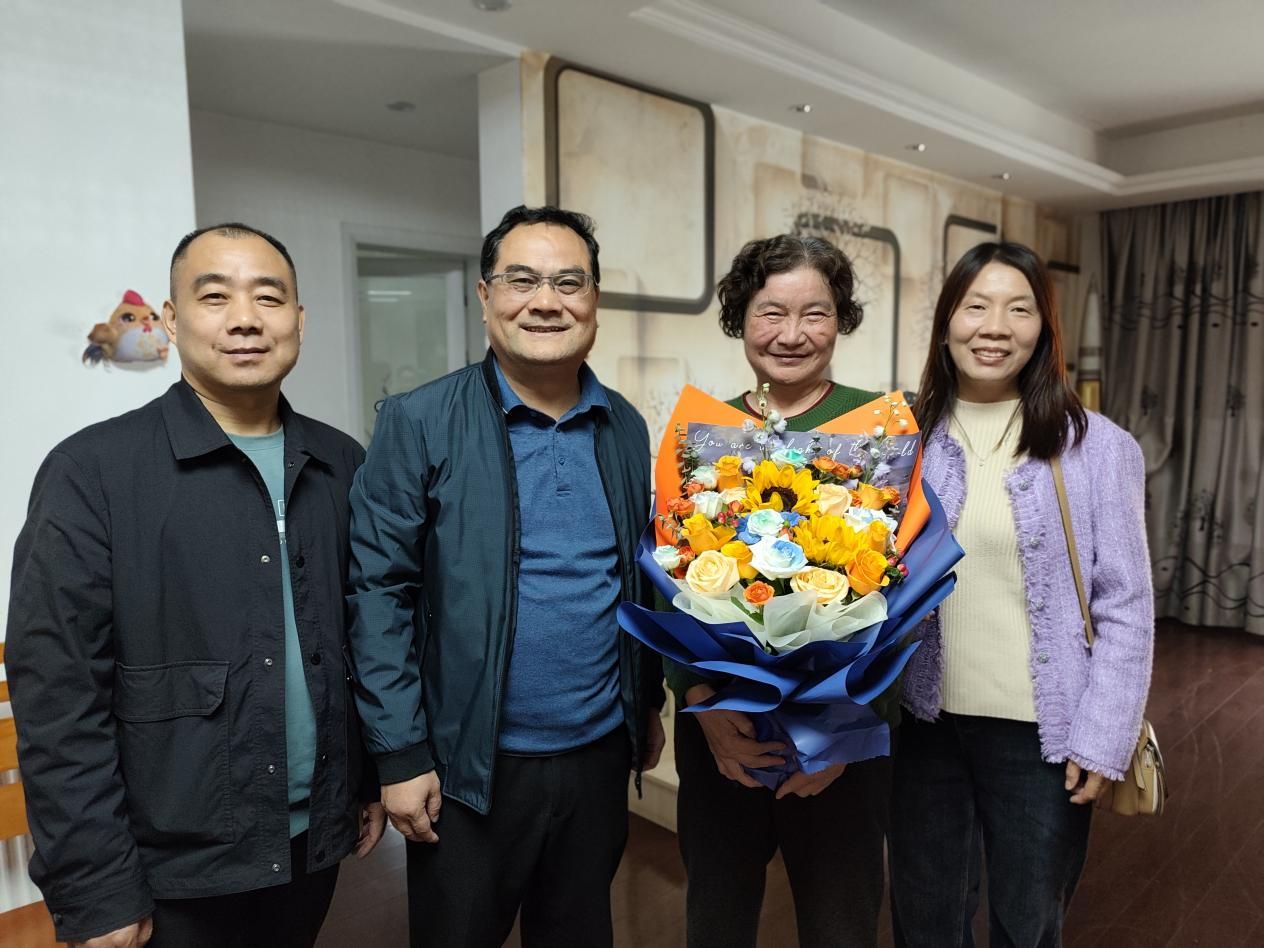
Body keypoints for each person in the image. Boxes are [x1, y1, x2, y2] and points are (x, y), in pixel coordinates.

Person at [5, 223, 385, 948]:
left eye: (268, 297)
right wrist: (96, 886)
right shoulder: (93, 472)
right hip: (168, 870)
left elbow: (358, 637)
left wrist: (362, 782)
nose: (245, 319)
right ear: (172, 321)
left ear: (299, 320)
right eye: (215, 297)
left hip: (311, 846)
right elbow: (58, 694)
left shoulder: (341, 462)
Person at [345, 204, 666, 948]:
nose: (545, 301)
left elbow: (636, 576)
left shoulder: (624, 424)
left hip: (596, 756)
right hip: (467, 769)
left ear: (594, 301)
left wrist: (645, 701)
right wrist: (400, 754)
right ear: (486, 295)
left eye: (568, 283)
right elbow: (378, 593)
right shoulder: (420, 420)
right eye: (522, 280)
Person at [889, 241, 1154, 946]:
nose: (995, 327)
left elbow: (1126, 606)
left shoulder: (1097, 447)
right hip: (922, 727)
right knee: (924, 920)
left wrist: (1104, 737)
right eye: (976, 306)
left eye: (1019, 310)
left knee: (1027, 925)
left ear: (1044, 328)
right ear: (947, 322)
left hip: (1042, 741)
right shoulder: (904, 439)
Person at [664, 234, 891, 948]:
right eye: (770, 312)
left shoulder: (883, 427)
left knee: (840, 924)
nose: (792, 335)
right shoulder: (698, 432)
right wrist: (700, 703)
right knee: (717, 920)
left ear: (841, 319)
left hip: (842, 738)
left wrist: (849, 730)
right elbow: (665, 577)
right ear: (740, 317)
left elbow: (909, 586)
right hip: (722, 731)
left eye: (815, 313)